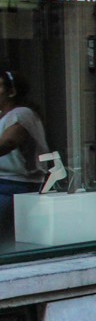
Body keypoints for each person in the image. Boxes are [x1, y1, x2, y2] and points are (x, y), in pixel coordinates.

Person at [0, 70, 51, 241]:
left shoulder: (22, 114)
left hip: (15, 185)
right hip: (7, 183)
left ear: (12, 91)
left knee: (6, 237)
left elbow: (8, 143)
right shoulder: (5, 117)